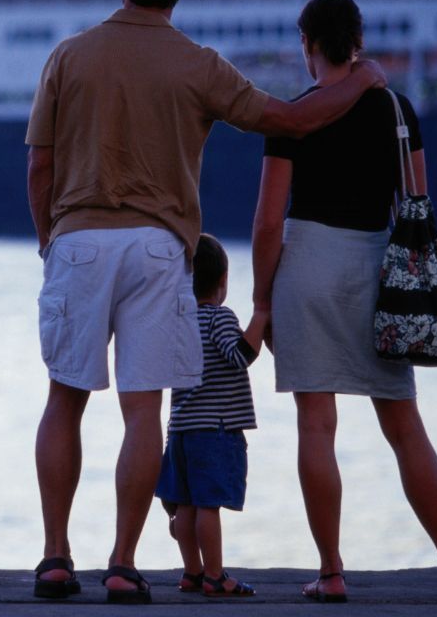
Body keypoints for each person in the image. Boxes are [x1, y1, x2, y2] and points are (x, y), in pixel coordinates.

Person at [26, 0, 387, 604]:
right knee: (143, 415)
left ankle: (53, 556)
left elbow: (39, 163)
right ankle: (123, 562)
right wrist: (364, 78)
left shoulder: (68, 57)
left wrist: (50, 241)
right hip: (161, 247)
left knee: (64, 400)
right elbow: (292, 120)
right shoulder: (199, 64)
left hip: (78, 236)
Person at [251, 0, 437, 604]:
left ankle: (332, 572)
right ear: (356, 42)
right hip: (375, 265)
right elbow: (417, 199)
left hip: (306, 262)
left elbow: (265, 221)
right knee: (404, 425)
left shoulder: (292, 116)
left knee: (317, 424)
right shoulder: (397, 109)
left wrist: (261, 302)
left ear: (308, 45)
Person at [155, 234, 265, 599]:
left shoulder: (177, 323)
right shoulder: (220, 317)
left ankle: (192, 572)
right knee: (207, 506)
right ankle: (215, 576)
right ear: (223, 283)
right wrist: (260, 318)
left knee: (184, 505)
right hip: (214, 430)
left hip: (181, 431)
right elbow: (239, 357)